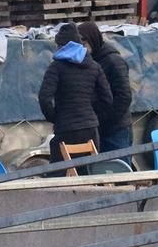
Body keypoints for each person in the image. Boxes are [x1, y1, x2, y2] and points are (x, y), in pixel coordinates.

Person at [38, 23, 113, 170]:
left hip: (66, 129)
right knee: (90, 173)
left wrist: (55, 117)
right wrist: (91, 115)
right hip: (90, 129)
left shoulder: (56, 67)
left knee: (60, 174)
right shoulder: (94, 66)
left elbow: (44, 97)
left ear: (62, 46)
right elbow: (107, 99)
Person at [78, 21, 132, 151]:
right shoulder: (87, 62)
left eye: (84, 44)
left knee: (118, 168)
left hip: (116, 129)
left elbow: (124, 97)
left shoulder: (113, 61)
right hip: (97, 129)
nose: (83, 49)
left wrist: (105, 118)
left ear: (93, 39)